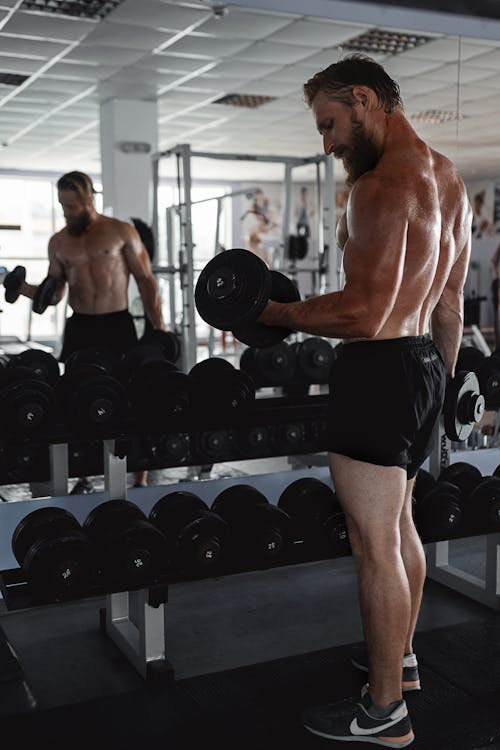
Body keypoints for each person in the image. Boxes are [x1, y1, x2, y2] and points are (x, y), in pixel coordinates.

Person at [257, 54, 471, 747]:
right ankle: (400, 665)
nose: (327, 145)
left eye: (330, 125)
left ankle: (384, 716)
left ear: (363, 99)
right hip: (420, 370)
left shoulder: (379, 189)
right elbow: (448, 307)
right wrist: (434, 393)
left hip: (377, 371)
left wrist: (276, 316)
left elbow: (367, 314)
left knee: (373, 545)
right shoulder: (448, 179)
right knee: (400, 526)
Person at [18, 170, 165, 492]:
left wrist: (160, 330)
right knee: (75, 397)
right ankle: (83, 475)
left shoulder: (120, 232)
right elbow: (53, 294)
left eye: (73, 206)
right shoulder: (58, 242)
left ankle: (139, 475)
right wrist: (24, 289)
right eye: (63, 206)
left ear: (88, 200)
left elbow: (146, 281)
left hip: (116, 324)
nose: (68, 212)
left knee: (130, 396)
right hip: (81, 327)